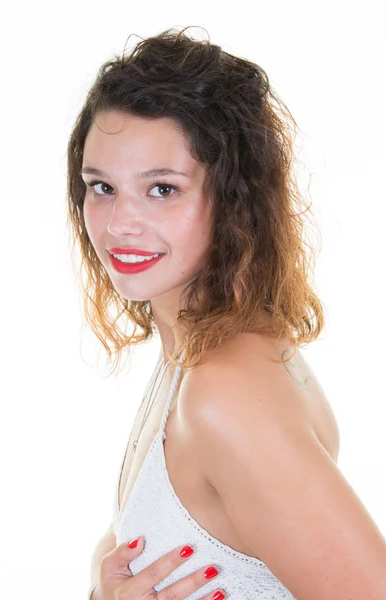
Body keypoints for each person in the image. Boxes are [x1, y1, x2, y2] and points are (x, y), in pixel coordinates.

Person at [66, 26, 386, 600]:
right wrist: (103, 585)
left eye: (162, 189)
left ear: (233, 198)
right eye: (102, 186)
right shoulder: (195, 348)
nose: (118, 224)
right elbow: (141, 529)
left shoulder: (224, 393)